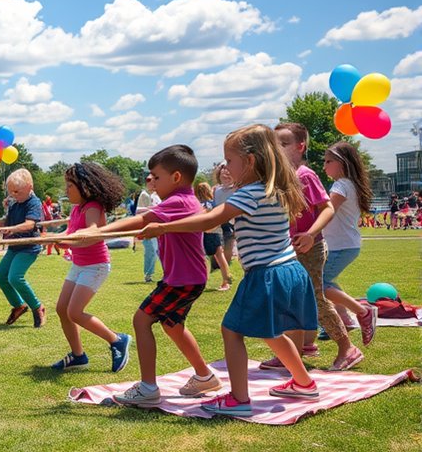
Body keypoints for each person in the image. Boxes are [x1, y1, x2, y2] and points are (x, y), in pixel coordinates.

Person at [142, 125, 321, 417]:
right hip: (289, 270)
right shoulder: (274, 189)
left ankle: (239, 399)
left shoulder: (250, 193)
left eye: (229, 159)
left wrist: (162, 227)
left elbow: (208, 220)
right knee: (272, 333)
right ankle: (303, 383)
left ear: (250, 161)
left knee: (231, 330)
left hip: (266, 273)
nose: (225, 166)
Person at [77, 145, 219, 405]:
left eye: (155, 176)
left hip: (183, 281)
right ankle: (204, 375)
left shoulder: (179, 201)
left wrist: (98, 232)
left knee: (141, 321)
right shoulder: (181, 200)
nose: (150, 181)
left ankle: (148, 388)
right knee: (172, 325)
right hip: (187, 278)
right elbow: (146, 222)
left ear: (176, 177)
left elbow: (141, 221)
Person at [271, 123, 361, 371]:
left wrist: (311, 234)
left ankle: (347, 348)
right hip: (290, 249)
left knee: (316, 300)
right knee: (290, 301)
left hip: (310, 248)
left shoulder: (304, 175)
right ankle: (293, 353)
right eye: (274, 144)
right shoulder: (282, 177)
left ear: (300, 147)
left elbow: (327, 208)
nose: (277, 149)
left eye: (284, 144)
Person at [51, 162, 132, 372]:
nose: (66, 190)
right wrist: (50, 238)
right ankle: (78, 356)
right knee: (62, 309)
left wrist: (66, 241)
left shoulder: (93, 207)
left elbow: (92, 234)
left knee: (75, 312)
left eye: (70, 185)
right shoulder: (77, 208)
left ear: (84, 186)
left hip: (95, 266)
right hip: (79, 265)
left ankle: (117, 340)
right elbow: (71, 233)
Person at [321, 142, 378, 347]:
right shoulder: (347, 184)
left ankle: (363, 312)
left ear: (342, 164)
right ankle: (345, 319)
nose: (324, 166)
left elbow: (326, 212)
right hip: (345, 245)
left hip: (342, 246)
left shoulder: (341, 185)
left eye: (329, 161)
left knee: (319, 284)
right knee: (327, 281)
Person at [0, 169, 47, 328]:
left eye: (17, 191)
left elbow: (30, 224)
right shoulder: (14, 202)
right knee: (0, 277)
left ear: (29, 186)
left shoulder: (34, 203)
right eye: (11, 191)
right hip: (14, 247)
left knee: (15, 278)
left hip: (28, 247)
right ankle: (19, 305)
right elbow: (6, 220)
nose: (13, 194)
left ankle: (38, 308)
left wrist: (13, 229)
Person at [194, 182, 232, 291]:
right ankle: (225, 281)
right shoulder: (212, 203)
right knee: (218, 257)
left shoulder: (205, 204)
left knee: (208, 258)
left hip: (208, 232)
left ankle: (221, 282)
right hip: (214, 232)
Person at [136, 175, 161, 282]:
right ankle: (148, 275)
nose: (152, 183)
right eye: (149, 181)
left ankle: (167, 273)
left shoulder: (157, 195)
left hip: (158, 227)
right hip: (148, 228)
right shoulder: (144, 195)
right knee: (151, 251)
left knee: (158, 251)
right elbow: (139, 211)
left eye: (154, 181)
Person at [212, 164, 237, 263]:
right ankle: (218, 262)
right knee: (218, 243)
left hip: (232, 220)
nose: (226, 176)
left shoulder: (237, 189)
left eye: (229, 174)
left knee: (228, 240)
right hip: (219, 219)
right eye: (223, 174)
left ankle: (226, 261)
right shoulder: (216, 190)